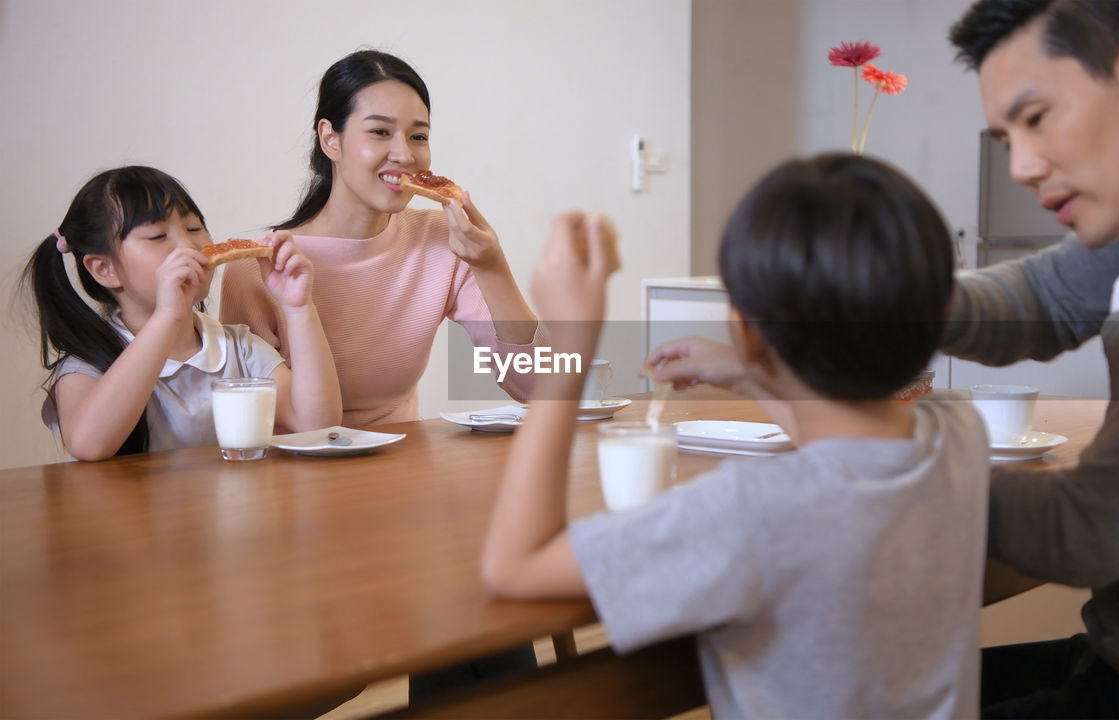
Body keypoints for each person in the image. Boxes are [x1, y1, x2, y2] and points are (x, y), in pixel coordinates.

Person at [651, 1, 1119, 717]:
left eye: (1036, 118)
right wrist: (876, 293)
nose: (1020, 166)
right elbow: (1042, 297)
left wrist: (867, 442)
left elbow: (1089, 532)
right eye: (1005, 136)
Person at [483, 155, 991, 719]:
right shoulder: (961, 434)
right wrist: (751, 369)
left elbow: (515, 563)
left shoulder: (753, 511)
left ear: (745, 328)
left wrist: (573, 346)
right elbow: (851, 423)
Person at [220, 49, 543, 428]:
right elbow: (250, 421)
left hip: (405, 467)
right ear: (331, 139)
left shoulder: (440, 238)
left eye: (418, 135)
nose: (404, 154)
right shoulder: (256, 268)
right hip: (292, 472)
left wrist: (491, 266)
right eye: (380, 132)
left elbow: (541, 387)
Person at [24, 166, 341, 461]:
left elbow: (316, 423)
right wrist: (167, 317)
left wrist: (298, 307)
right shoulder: (86, 365)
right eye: (158, 236)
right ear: (104, 269)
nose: (189, 245)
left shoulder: (239, 349)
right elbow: (89, 445)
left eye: (194, 227)